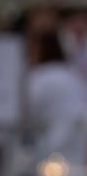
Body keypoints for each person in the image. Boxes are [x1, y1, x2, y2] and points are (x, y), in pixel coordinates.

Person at [27, 27, 87, 162]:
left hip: (57, 146)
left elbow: (25, 110)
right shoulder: (69, 73)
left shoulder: (42, 76)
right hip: (77, 143)